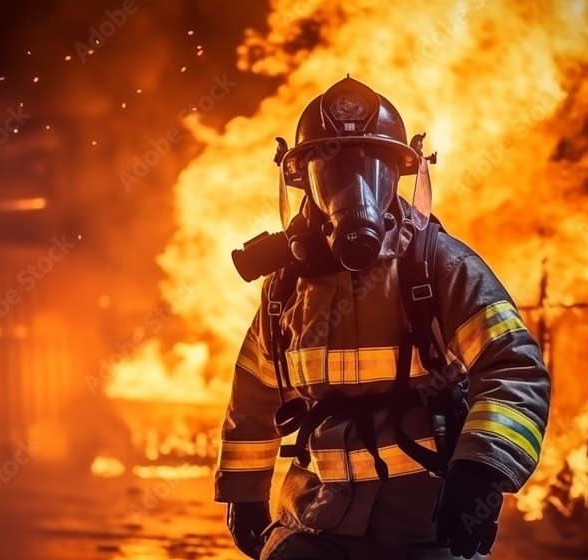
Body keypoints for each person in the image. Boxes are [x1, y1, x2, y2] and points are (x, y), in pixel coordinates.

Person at [216, 76, 551, 560]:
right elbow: (253, 393)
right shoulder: (285, 287)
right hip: (315, 522)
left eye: (373, 165)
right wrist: (244, 493)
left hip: (425, 527)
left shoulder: (441, 267)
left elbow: (513, 368)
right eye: (330, 167)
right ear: (302, 180)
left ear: (400, 175)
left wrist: (481, 469)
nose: (353, 187)